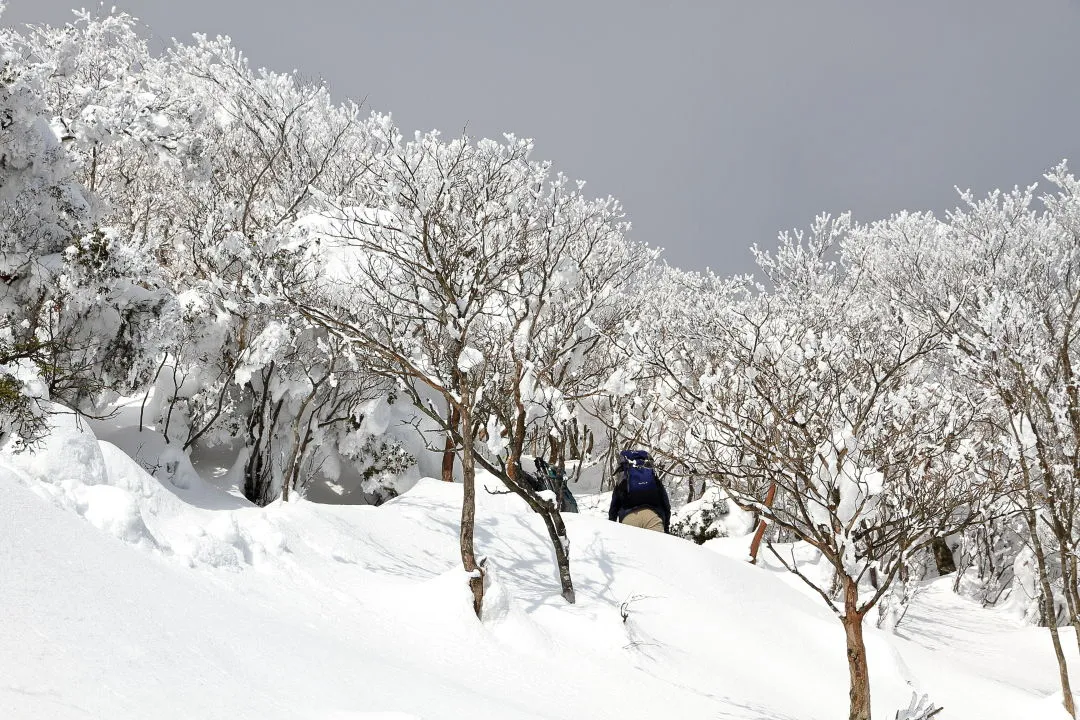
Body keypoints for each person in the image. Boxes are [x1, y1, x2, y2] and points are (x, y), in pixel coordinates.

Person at [608, 449, 671, 533]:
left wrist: (611, 529)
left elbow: (613, 508)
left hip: (629, 519)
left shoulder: (622, 482)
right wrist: (666, 527)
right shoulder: (654, 480)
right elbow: (666, 505)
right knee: (656, 546)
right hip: (652, 517)